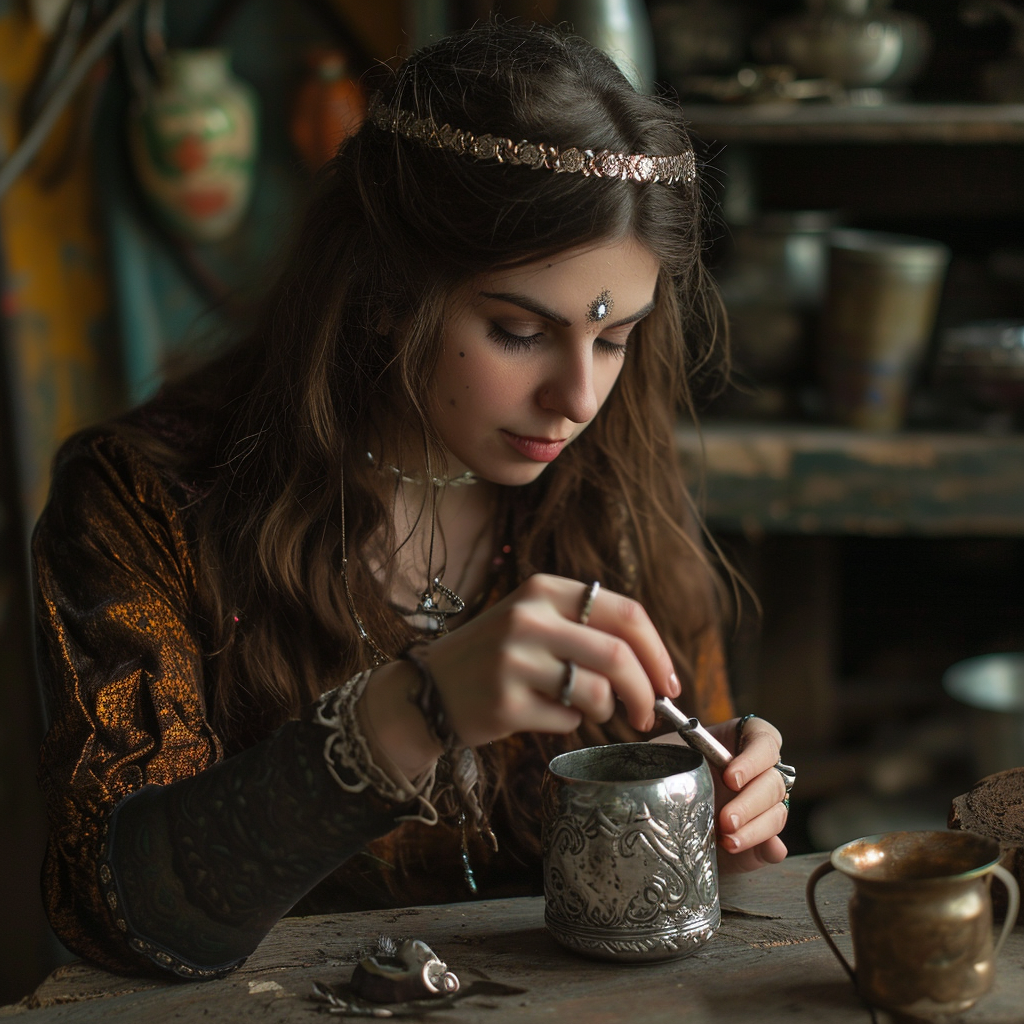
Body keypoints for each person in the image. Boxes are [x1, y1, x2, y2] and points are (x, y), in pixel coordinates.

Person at [32, 20, 791, 982]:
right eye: (520, 330)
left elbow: (694, 807)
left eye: (614, 338)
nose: (580, 399)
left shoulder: (614, 485)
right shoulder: (143, 501)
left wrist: (720, 809)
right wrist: (414, 711)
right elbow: (125, 912)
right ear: (385, 288)